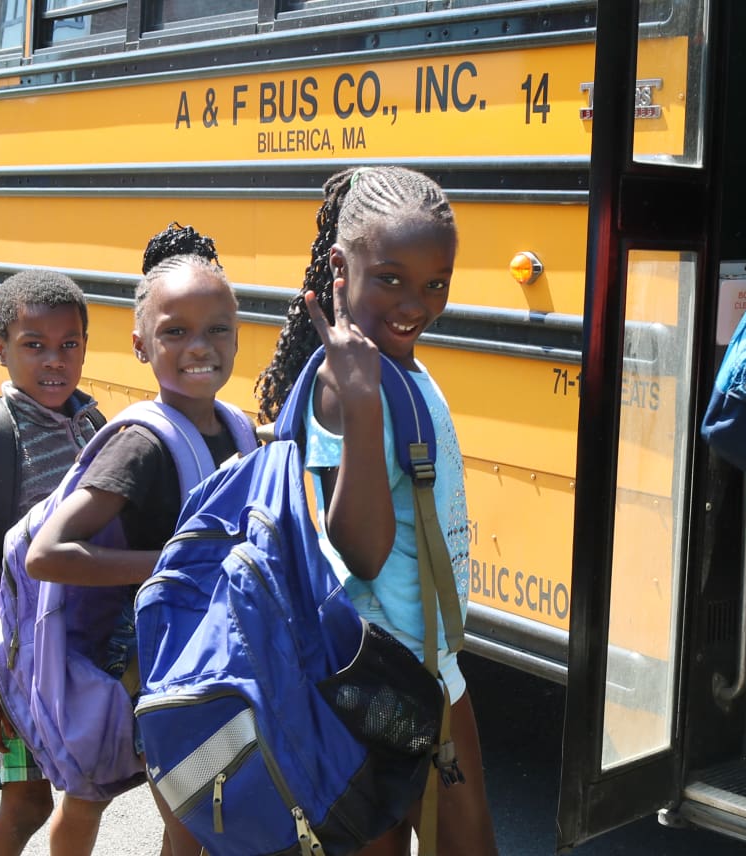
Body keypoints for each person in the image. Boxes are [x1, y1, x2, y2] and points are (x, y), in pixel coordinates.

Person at [254, 165, 499, 856]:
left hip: (425, 664)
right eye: (391, 279)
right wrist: (362, 410)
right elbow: (360, 551)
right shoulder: (348, 383)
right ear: (340, 267)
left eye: (436, 284)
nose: (414, 304)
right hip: (377, 678)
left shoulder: (397, 367)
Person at [23, 227, 241, 856]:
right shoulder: (140, 445)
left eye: (217, 329)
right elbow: (47, 554)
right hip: (153, 662)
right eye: (176, 332)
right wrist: (173, 564)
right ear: (141, 345)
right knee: (175, 817)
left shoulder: (236, 428)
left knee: (194, 819)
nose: (199, 346)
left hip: (211, 653)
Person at [0, 267, 102, 856]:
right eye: (34, 346)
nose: (54, 360)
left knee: (87, 791)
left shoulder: (95, 427)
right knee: (26, 803)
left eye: (69, 344)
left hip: (80, 662)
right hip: (15, 672)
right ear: (0, 348)